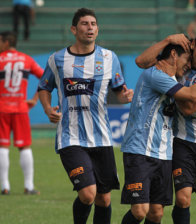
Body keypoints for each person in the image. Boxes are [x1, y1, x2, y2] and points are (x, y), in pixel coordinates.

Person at [38, 8, 133, 224]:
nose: (90, 27)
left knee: (104, 197)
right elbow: (44, 87)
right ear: (74, 29)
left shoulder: (109, 57)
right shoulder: (58, 59)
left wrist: (126, 95)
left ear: (97, 29)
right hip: (70, 137)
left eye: (93, 24)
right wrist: (47, 108)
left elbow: (120, 89)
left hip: (101, 137)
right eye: (84, 23)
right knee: (88, 193)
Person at [120, 35, 196, 224]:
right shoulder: (156, 74)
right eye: (187, 59)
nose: (189, 65)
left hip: (165, 152)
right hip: (140, 150)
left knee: (157, 213)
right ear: (175, 55)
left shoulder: (178, 78)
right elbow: (189, 98)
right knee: (140, 211)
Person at [0, 31, 43, 195]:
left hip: (2, 107)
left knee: (2, 146)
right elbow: (45, 77)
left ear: (5, 42)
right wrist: (35, 98)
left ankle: (5, 186)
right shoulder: (26, 59)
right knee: (24, 146)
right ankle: (29, 186)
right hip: (20, 108)